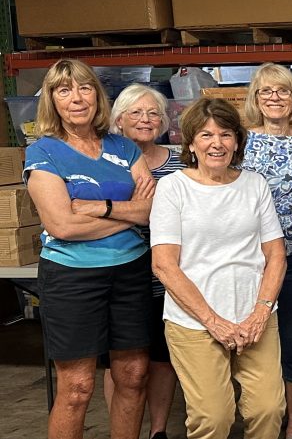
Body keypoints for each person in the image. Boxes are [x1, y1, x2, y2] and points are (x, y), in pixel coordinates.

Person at [24, 59, 154, 439]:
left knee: (133, 376)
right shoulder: (44, 153)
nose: (76, 98)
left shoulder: (124, 147)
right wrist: (129, 214)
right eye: (64, 90)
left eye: (84, 88)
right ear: (52, 100)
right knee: (77, 389)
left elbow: (152, 211)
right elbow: (61, 225)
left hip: (130, 273)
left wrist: (99, 208)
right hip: (71, 279)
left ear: (97, 96)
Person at [151, 97, 287, 439]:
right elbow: (164, 265)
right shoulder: (172, 188)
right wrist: (213, 321)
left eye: (226, 134)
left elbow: (276, 255)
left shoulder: (254, 184)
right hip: (195, 322)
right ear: (191, 143)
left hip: (255, 317)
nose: (217, 143)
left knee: (269, 409)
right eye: (206, 135)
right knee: (213, 418)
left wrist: (260, 313)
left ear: (237, 141)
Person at [240, 62, 292, 439]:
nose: (275, 98)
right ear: (256, 99)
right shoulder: (238, 143)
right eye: (266, 92)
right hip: (248, 261)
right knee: (250, 341)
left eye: (283, 91)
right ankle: (257, 419)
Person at [104, 84, 186, 439]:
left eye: (154, 113)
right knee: (121, 361)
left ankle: (158, 431)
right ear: (118, 120)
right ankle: (123, 430)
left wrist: (138, 209)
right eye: (136, 113)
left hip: (169, 278)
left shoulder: (180, 163)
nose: (145, 120)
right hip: (122, 274)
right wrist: (137, 210)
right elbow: (101, 216)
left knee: (162, 357)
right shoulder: (105, 163)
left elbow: (186, 217)